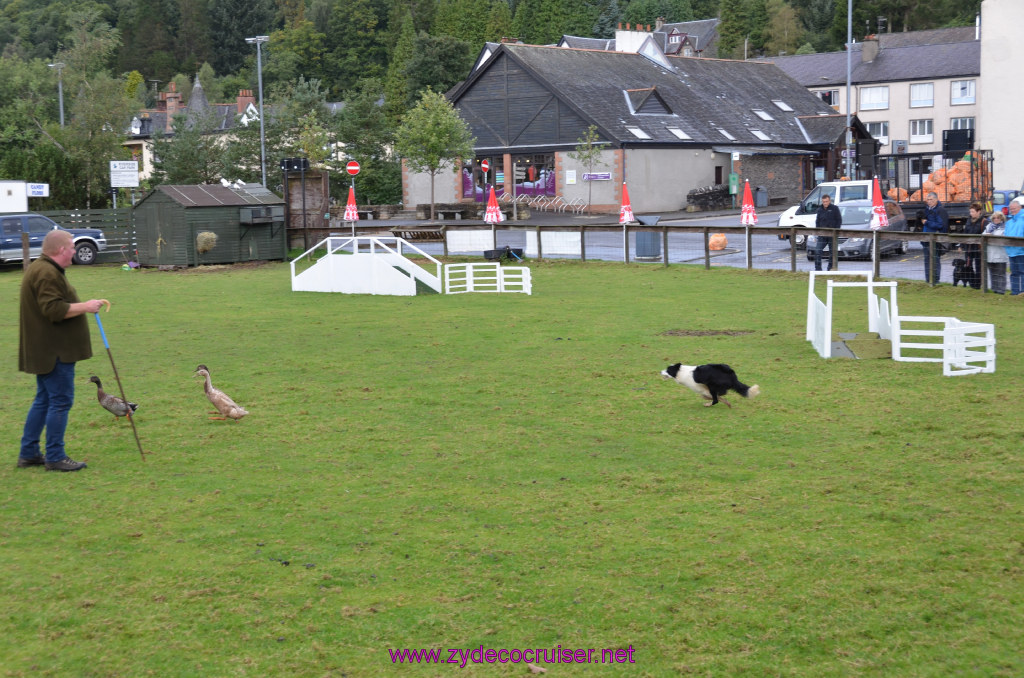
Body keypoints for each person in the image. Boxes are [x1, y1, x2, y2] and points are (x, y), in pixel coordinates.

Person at [18, 230, 109, 472]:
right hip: (54, 351)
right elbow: (53, 310)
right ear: (60, 250)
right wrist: (86, 307)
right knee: (60, 401)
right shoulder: (47, 272)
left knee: (44, 400)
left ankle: (28, 453)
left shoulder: (42, 268)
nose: (74, 251)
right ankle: (55, 456)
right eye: (71, 247)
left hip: (47, 349)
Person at [919, 192, 949, 284]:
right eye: (928, 200)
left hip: (935, 240)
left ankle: (935, 280)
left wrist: (927, 222)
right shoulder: (926, 210)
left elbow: (941, 225)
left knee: (935, 259)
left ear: (936, 200)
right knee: (927, 259)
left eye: (931, 199)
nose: (929, 201)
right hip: (926, 239)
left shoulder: (940, 210)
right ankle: (928, 279)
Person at [961, 202, 987, 289]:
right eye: (970, 212)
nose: (971, 214)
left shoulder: (984, 222)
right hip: (969, 248)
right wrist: (961, 245)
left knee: (979, 267)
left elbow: (985, 234)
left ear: (979, 211)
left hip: (978, 249)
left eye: (972, 212)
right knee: (968, 266)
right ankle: (971, 284)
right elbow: (965, 233)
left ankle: (978, 285)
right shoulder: (968, 220)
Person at [813, 193, 841, 271]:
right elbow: (817, 221)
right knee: (818, 251)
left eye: (826, 201)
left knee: (832, 253)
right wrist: (818, 231)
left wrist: (836, 231)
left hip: (832, 235)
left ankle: (830, 269)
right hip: (822, 235)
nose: (825, 203)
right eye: (824, 201)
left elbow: (839, 220)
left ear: (829, 201)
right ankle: (818, 269)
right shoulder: (819, 210)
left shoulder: (835, 208)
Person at [984, 210, 1008, 294]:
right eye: (994, 218)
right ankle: (994, 289)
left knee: (1000, 273)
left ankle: (1001, 290)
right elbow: (982, 235)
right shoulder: (989, 226)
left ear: (1001, 218)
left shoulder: (1005, 227)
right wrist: (986, 236)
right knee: (992, 273)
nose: (996, 219)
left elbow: (1005, 238)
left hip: (1000, 254)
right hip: (990, 253)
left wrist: (992, 237)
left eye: (998, 218)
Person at [1005, 197, 1024, 295]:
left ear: (1020, 207)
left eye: (1014, 208)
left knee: (1022, 272)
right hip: (1011, 251)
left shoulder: (1023, 219)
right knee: (1014, 273)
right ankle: (1015, 291)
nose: (1012, 210)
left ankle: (1023, 291)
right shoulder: (1009, 222)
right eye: (1011, 208)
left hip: (1021, 251)